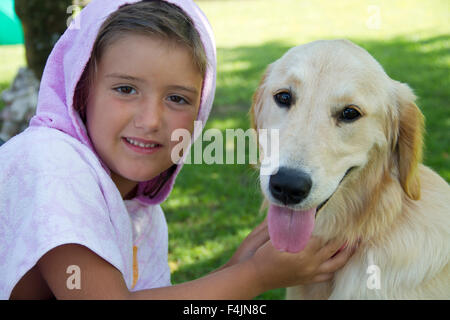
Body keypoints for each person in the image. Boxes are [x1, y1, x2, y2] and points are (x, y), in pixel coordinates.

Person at [0, 0, 357, 300]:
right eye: (125, 89)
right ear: (81, 89)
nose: (151, 119)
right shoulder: (49, 162)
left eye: (177, 98)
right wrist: (253, 278)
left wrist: (234, 268)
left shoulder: (142, 214)